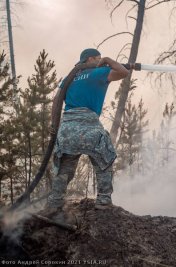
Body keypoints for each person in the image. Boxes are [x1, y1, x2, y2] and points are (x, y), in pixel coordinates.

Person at [47, 48, 129, 211]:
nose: (100, 61)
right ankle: (104, 200)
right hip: (89, 127)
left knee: (64, 168)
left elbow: (56, 102)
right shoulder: (99, 72)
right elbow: (123, 71)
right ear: (91, 58)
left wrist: (55, 128)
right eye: (98, 58)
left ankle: (54, 203)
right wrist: (108, 60)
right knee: (104, 160)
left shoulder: (69, 78)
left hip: (67, 129)